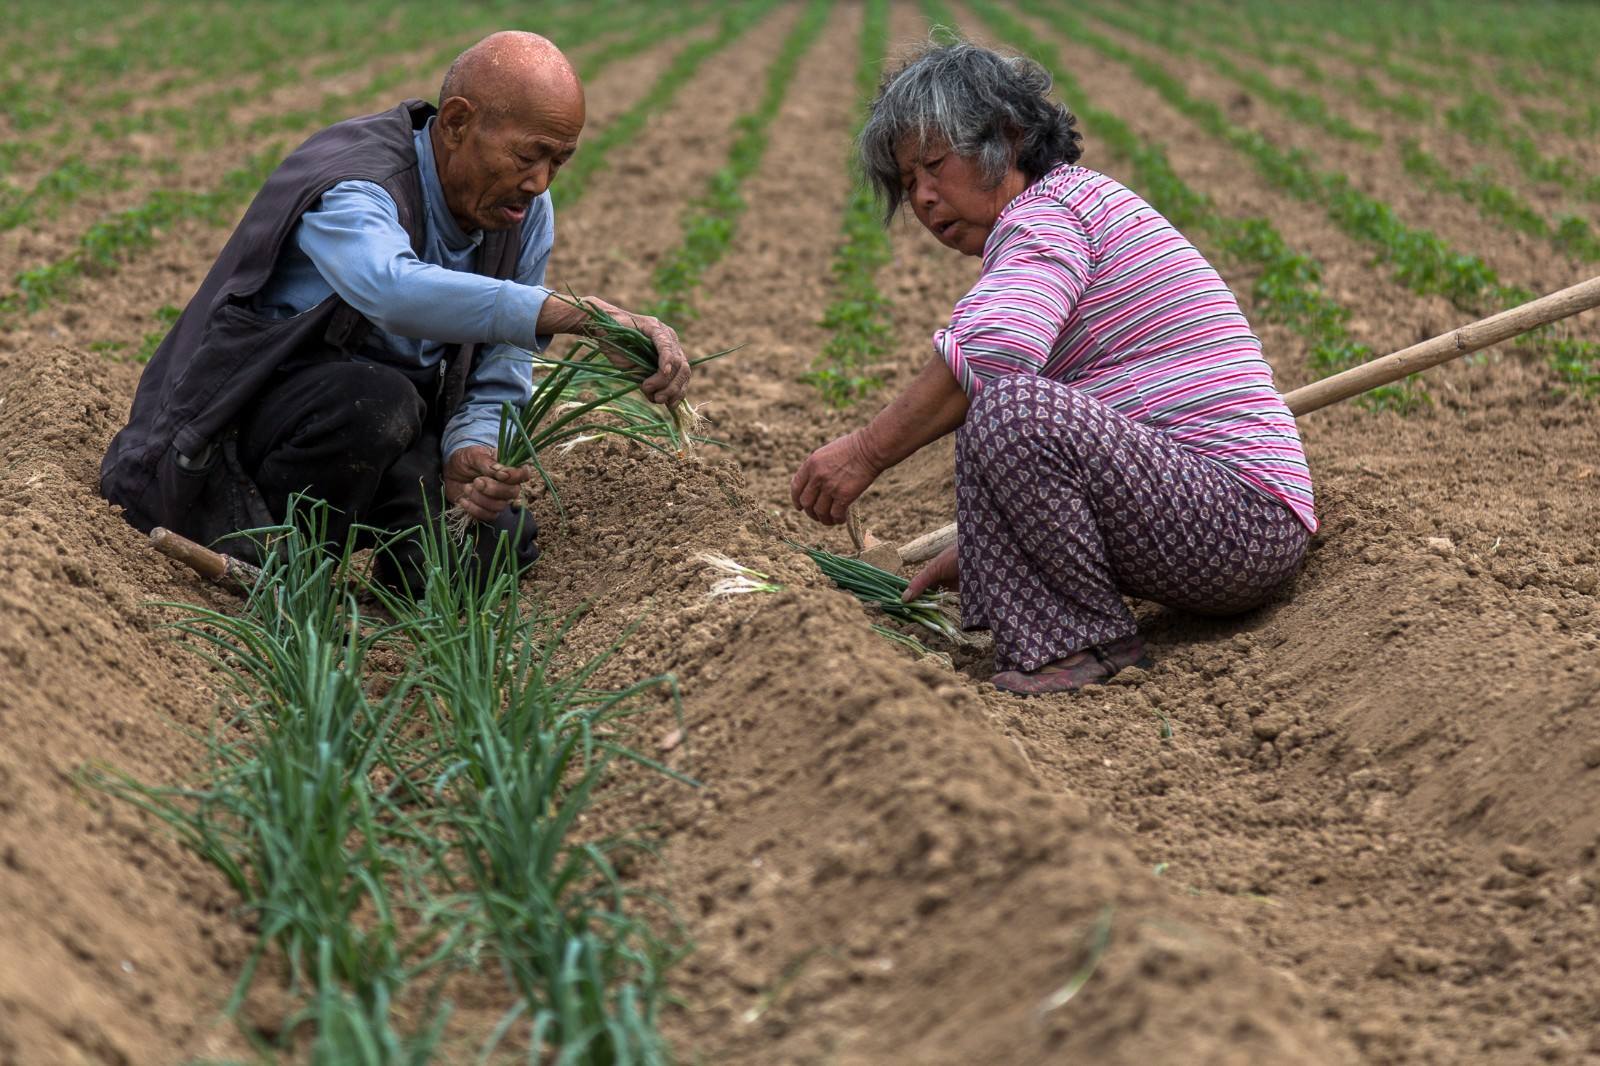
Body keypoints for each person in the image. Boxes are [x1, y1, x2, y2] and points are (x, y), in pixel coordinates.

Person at [790, 41, 1316, 695]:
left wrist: (865, 453)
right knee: (1000, 407)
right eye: (908, 185)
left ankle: (1085, 645)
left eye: (934, 165)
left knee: (1011, 406)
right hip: (1215, 520)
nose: (924, 199)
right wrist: (996, 551)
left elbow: (992, 356)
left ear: (1006, 138)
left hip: (1239, 523)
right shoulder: (1066, 207)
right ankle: (1060, 631)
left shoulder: (1048, 217)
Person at [101, 31, 689, 590]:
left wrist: (471, 447)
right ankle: (264, 561)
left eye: (558, 161)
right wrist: (574, 314)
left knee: (492, 545)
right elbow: (391, 288)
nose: (539, 182)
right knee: (374, 400)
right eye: (528, 156)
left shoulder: (521, 212)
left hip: (379, 439)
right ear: (457, 123)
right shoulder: (356, 181)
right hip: (230, 444)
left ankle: (370, 585)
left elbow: (500, 370)